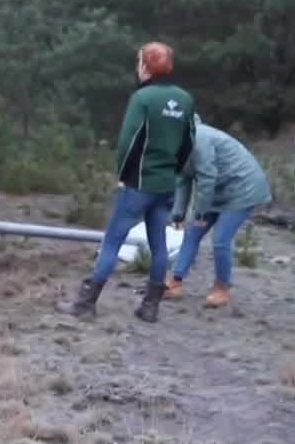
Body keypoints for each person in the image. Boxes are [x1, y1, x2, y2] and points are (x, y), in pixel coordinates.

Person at [60, 41, 196, 323]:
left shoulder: (142, 99)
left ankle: (86, 304)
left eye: (139, 62)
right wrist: (173, 171)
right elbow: (188, 142)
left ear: (146, 66)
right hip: (165, 185)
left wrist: (123, 175)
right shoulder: (184, 99)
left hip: (138, 184)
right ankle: (150, 307)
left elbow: (128, 141)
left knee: (112, 242)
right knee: (158, 246)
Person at [165, 116, 272, 308]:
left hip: (242, 189)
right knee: (191, 233)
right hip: (217, 189)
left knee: (220, 239)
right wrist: (178, 212)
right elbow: (183, 178)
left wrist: (200, 213)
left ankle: (222, 288)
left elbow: (206, 178)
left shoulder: (200, 140)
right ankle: (175, 282)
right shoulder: (178, 144)